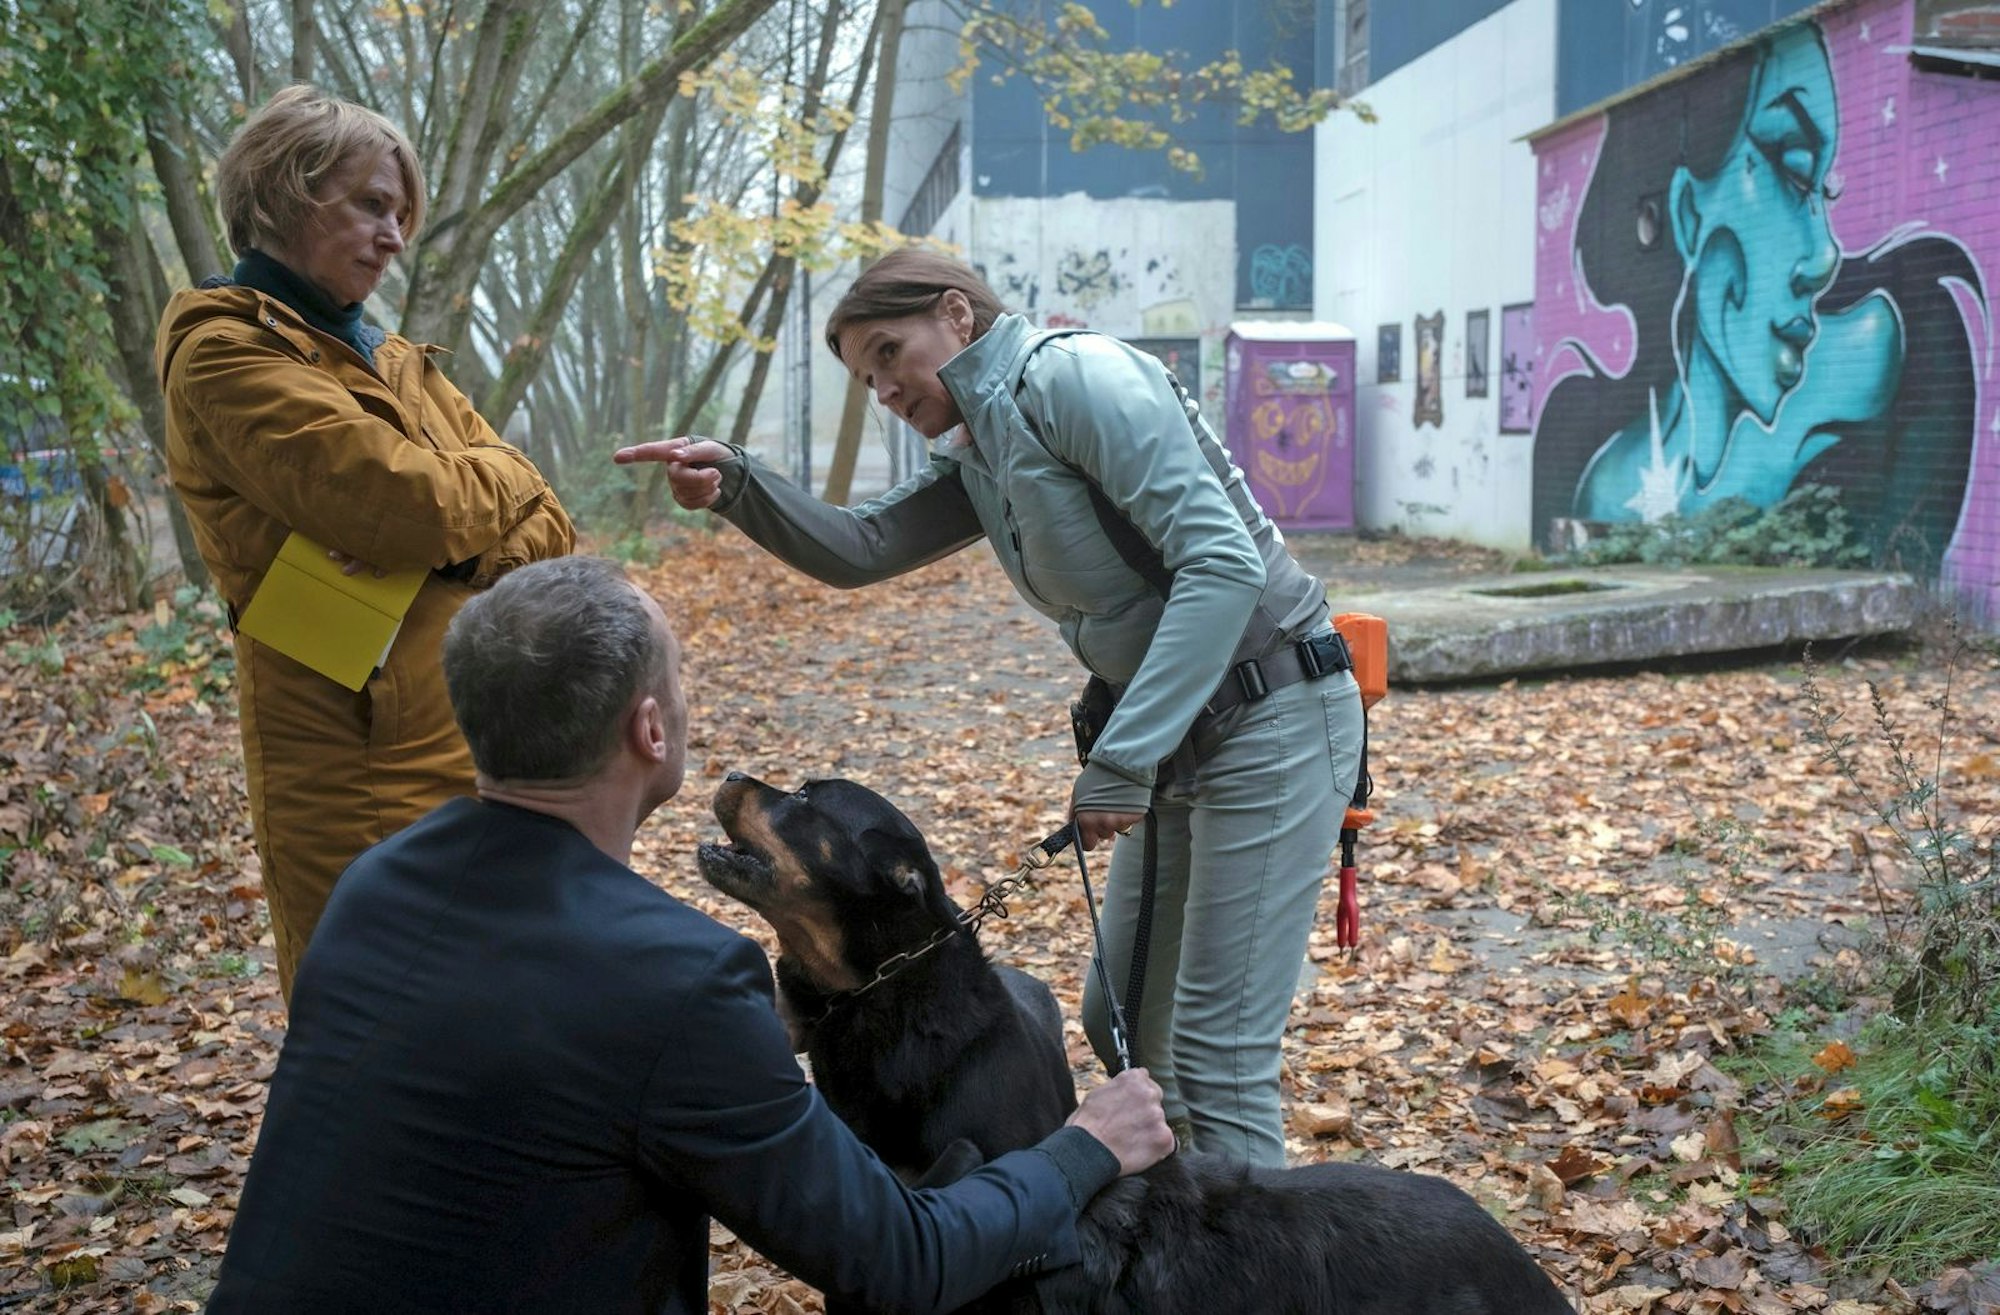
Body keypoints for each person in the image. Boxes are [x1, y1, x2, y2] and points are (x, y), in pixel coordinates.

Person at [203, 556, 1172, 1313]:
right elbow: (901, 1261)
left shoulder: (374, 884)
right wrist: (1083, 1144)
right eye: (681, 675)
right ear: (650, 732)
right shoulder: (681, 982)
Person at [615, 248, 1365, 1167]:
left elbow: (1222, 564)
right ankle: (1192, 1241)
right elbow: (865, 544)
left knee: (1213, 1058)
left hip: (1274, 711)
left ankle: (1253, 1271)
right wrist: (738, 481)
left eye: (889, 352)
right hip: (1180, 731)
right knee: (1118, 1017)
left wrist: (1122, 758)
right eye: (864, 375)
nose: (883, 387)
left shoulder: (1077, 380)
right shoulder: (986, 444)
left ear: (957, 315)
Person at [155, 85, 574, 1001]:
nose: (394, 236)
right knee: (372, 1005)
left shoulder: (389, 358)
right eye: (370, 205)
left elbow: (550, 521)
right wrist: (464, 513)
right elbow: (404, 505)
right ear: (283, 193)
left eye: (402, 212)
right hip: (342, 736)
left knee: (483, 993)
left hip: (466, 716)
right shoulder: (224, 351)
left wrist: (459, 546)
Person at [1531, 22, 1984, 567]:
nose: (1826, 256)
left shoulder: (1872, 354)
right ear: (1689, 212)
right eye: (1794, 172)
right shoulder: (1609, 480)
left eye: (1826, 191)